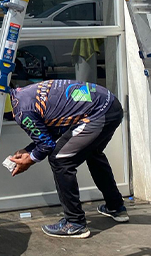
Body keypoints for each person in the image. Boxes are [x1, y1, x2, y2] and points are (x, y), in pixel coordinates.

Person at [8, 79, 129, 239]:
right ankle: (116, 206)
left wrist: (29, 160)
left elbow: (46, 146)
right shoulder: (23, 94)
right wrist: (28, 150)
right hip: (109, 104)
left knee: (60, 160)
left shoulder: (21, 112)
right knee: (92, 152)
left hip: (98, 111)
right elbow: (57, 128)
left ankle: (75, 223)